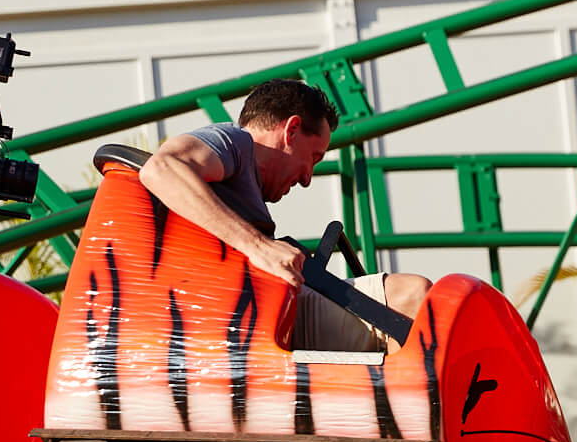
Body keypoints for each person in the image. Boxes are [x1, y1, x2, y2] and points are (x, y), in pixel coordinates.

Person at [139, 79, 431, 352]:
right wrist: (258, 246)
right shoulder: (235, 141)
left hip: (265, 313)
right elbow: (161, 168)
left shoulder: (243, 179)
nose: (307, 178)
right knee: (413, 297)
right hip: (248, 323)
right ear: (291, 130)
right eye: (313, 157)